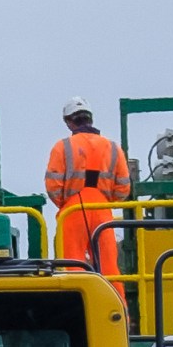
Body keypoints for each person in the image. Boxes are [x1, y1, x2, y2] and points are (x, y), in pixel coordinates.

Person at [44, 104, 130, 278]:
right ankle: (117, 303)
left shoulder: (62, 147)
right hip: (102, 211)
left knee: (72, 263)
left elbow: (53, 185)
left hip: (72, 210)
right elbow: (123, 186)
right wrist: (108, 202)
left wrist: (66, 202)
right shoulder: (113, 147)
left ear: (69, 122)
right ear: (91, 118)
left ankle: (77, 303)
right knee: (108, 264)